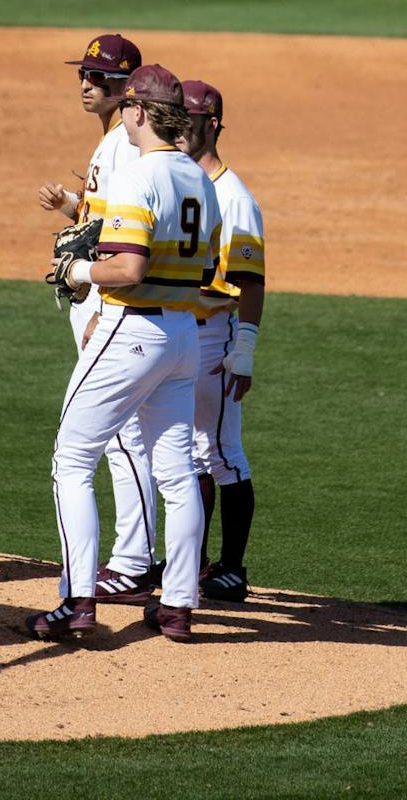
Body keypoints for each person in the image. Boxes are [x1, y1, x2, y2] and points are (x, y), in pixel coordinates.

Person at [27, 64, 221, 643]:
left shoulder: (140, 176)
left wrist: (79, 268)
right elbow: (207, 270)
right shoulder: (200, 179)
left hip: (131, 329)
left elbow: (127, 268)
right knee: (177, 473)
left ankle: (77, 600)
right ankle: (178, 607)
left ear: (136, 111)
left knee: (72, 459)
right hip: (184, 335)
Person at [38, 34, 161, 605]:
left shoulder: (121, 147)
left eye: (100, 78)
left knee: (121, 432)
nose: (87, 85)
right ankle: (134, 558)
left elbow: (126, 235)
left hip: (107, 299)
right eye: (83, 75)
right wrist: (72, 207)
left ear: (128, 87)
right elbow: (106, 219)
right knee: (119, 432)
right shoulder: (113, 141)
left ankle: (134, 560)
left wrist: (105, 308)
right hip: (104, 296)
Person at [175, 80, 264, 602]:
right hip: (182, 333)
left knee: (222, 452)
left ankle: (231, 567)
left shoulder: (235, 198)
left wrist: (244, 350)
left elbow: (250, 283)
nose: (180, 128)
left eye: (188, 119)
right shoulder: (183, 183)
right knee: (187, 451)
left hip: (216, 335)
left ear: (212, 124)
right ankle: (193, 560)